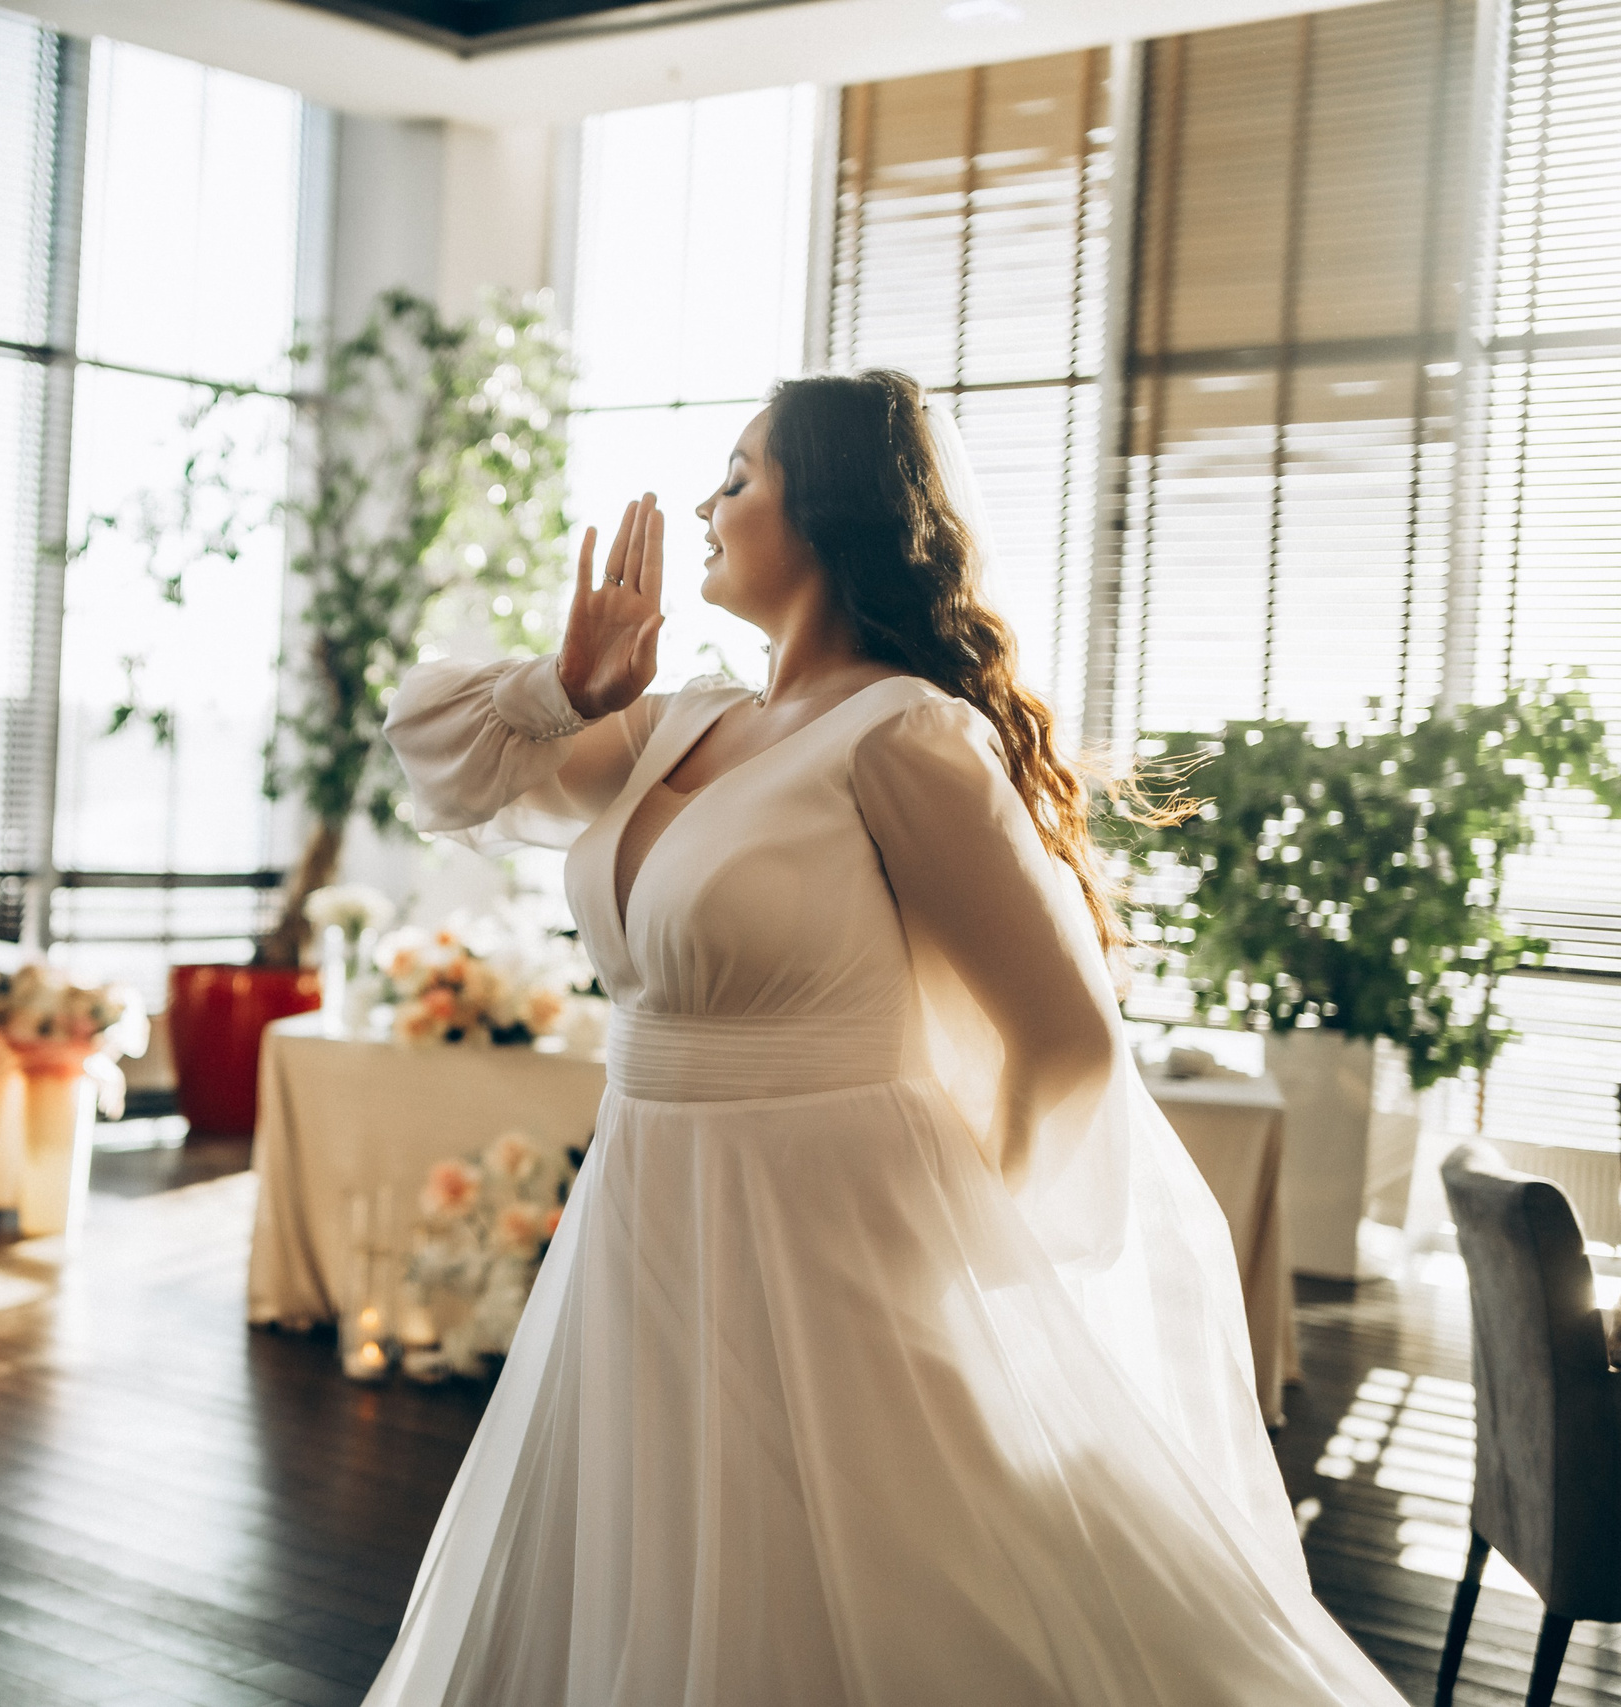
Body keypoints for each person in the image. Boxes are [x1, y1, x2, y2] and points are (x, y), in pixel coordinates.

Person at [368, 371, 1407, 1705]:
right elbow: (439, 745)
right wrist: (568, 682)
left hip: (836, 1253)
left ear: (835, 511)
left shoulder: (908, 735)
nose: (705, 503)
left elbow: (1068, 1043)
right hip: (645, 1221)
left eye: (740, 476)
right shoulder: (678, 718)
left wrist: (960, 1248)